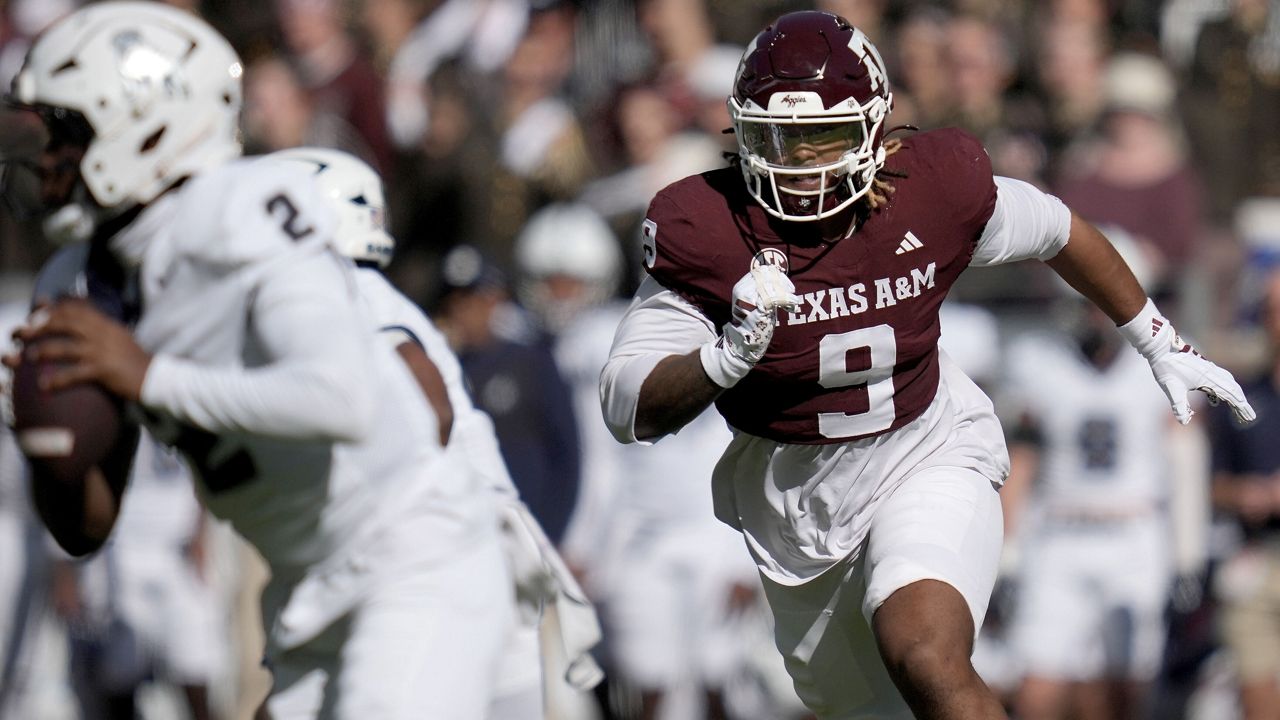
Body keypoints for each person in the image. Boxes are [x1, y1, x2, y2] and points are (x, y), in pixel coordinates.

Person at [597, 10, 1255, 720]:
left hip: (927, 452)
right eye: (777, 139)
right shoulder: (707, 228)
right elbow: (628, 406)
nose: (800, 165)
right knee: (869, 707)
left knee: (925, 654)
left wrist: (1157, 339)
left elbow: (1058, 229)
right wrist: (724, 358)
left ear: (872, 130)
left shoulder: (929, 190)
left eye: (822, 138)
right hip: (797, 508)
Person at [1, 4, 512, 718]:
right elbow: (85, 528)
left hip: (415, 553)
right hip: (303, 586)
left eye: (64, 133)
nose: (45, 159)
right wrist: (43, 432)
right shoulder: (77, 281)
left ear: (143, 126)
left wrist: (145, 376)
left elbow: (342, 400)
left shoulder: (244, 206)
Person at [269, 146, 605, 719]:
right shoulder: (373, 302)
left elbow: (433, 410)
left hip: (447, 563)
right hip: (471, 555)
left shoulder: (361, 307)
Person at [998, 233, 1211, 720]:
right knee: (1036, 686)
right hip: (1059, 533)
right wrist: (1009, 555)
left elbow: (1186, 463)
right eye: (1089, 301)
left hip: (1134, 534)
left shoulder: (1164, 364)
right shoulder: (1039, 362)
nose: (1098, 314)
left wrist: (1188, 554)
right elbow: (1022, 462)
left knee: (1122, 692)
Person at [1207, 267, 1280, 720]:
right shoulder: (1242, 397)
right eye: (1273, 310)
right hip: (1256, 556)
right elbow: (1212, 484)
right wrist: (1244, 493)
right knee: (1258, 694)